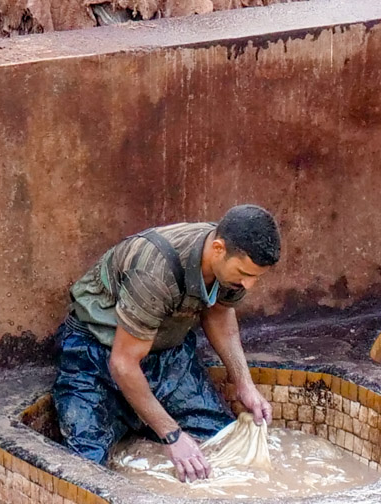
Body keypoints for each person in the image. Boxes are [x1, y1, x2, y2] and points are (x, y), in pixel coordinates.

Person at [52, 204, 280, 482]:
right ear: (218, 249)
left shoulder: (228, 263)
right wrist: (172, 436)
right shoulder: (155, 271)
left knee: (220, 443)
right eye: (244, 273)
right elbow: (123, 364)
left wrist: (244, 383)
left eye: (256, 277)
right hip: (95, 351)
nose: (249, 285)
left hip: (168, 352)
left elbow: (219, 313)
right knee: (88, 471)